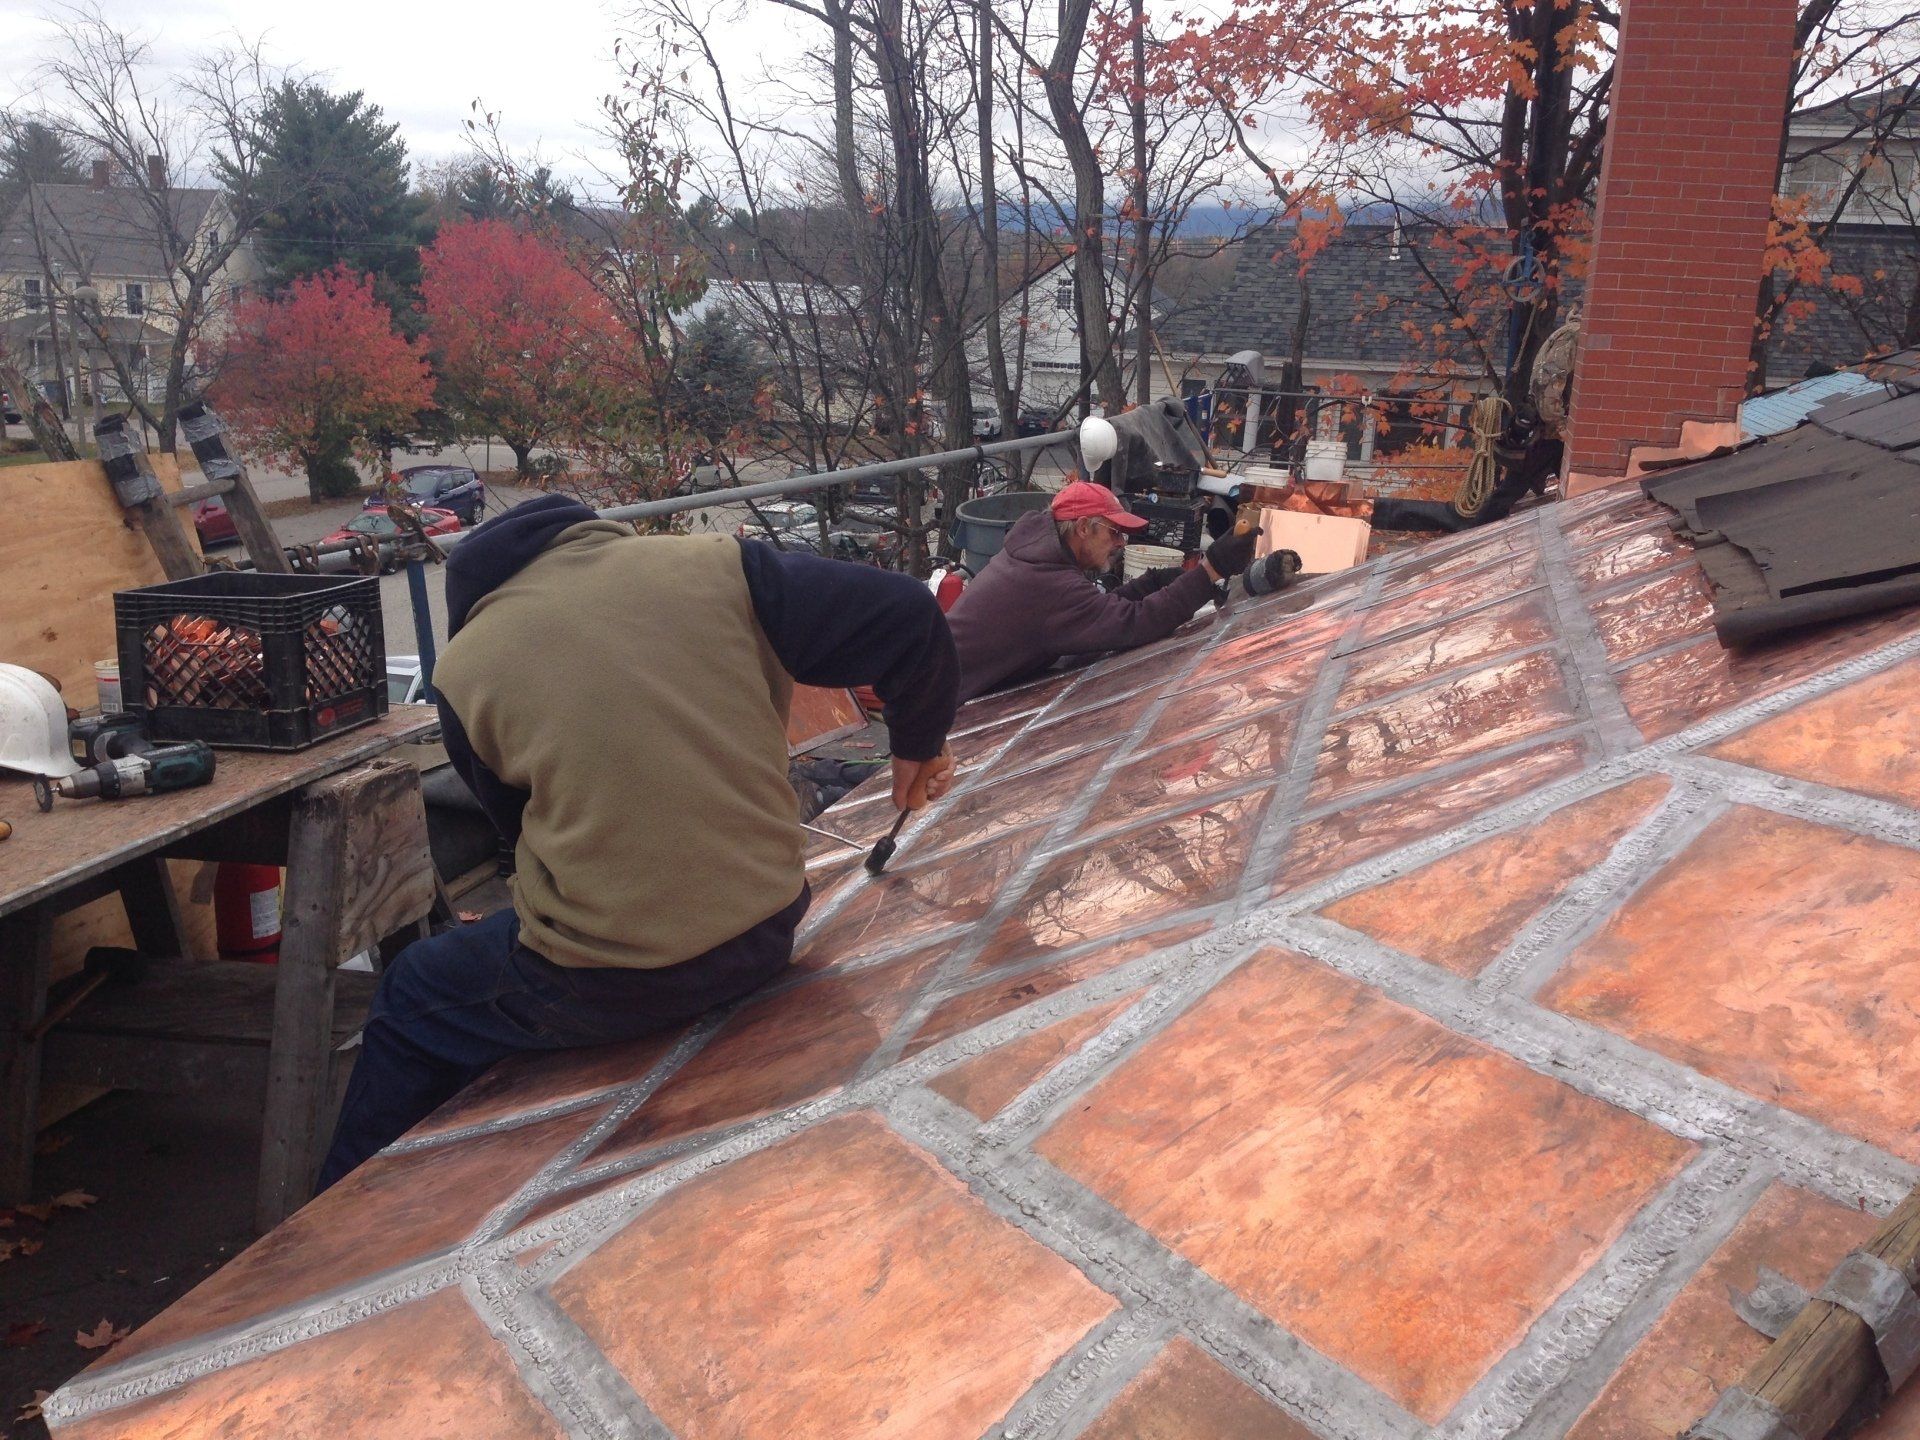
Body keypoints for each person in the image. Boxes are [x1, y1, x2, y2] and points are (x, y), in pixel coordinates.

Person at [318, 494, 958, 1186]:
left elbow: (516, 832)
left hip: (613, 982)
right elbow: (908, 611)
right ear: (587, 535)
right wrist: (917, 746)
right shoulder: (720, 568)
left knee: (412, 993)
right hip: (768, 927)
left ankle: (338, 1215)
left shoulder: (464, 667)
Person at [946, 479, 1258, 702]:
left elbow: (1095, 611)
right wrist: (1211, 569)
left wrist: (1151, 583)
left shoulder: (1036, 559)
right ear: (1083, 528)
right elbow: (1135, 622)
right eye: (1114, 532)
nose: (1121, 543)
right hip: (946, 705)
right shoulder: (1049, 584)